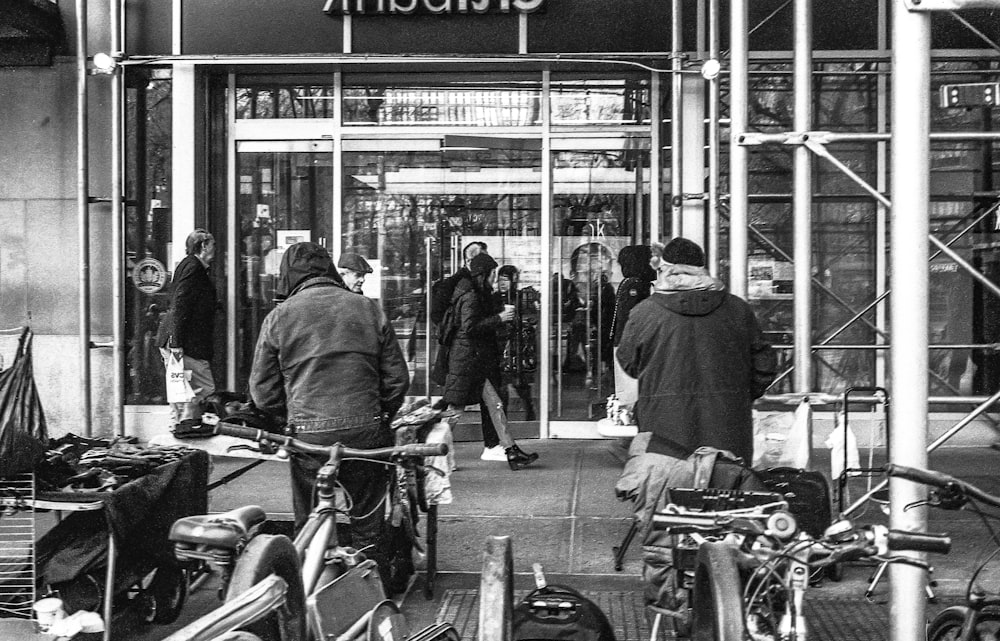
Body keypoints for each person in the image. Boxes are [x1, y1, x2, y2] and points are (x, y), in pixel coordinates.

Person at [249, 242, 410, 589]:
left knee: (309, 521)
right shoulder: (368, 309)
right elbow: (398, 380)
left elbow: (262, 392)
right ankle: (374, 599)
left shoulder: (280, 316)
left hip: (308, 437)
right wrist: (379, 415)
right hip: (366, 434)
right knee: (368, 524)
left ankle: (307, 598)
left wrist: (288, 419)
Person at [616, 237, 777, 464]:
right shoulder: (738, 310)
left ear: (666, 269)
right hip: (728, 424)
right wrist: (739, 395)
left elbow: (629, 362)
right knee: (727, 490)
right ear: (702, 270)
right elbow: (765, 363)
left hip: (662, 428)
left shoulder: (644, 313)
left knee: (666, 491)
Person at [438, 253, 538, 470]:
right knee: (455, 410)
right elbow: (470, 327)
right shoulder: (471, 296)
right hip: (467, 361)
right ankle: (433, 452)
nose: (495, 278)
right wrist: (499, 319)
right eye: (493, 273)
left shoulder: (475, 293)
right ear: (484, 274)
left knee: (495, 404)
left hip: (475, 361)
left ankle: (510, 450)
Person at [158, 229, 218, 426]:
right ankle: (186, 432)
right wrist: (176, 343)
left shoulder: (189, 265)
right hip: (186, 343)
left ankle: (181, 431)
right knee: (200, 389)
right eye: (213, 244)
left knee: (181, 391)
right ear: (203, 246)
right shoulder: (194, 267)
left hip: (178, 340)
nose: (215, 248)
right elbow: (180, 303)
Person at [609, 245, 657, 408]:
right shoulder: (635, 285)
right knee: (630, 392)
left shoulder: (630, 283)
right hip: (630, 344)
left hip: (625, 342)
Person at [564, 241, 616, 373]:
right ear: (573, 275)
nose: (594, 279)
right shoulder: (567, 296)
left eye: (602, 274)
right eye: (588, 273)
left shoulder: (607, 296)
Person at [496, 264, 538, 422]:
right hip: (500, 345)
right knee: (501, 384)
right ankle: (503, 417)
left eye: (506, 280)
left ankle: (529, 410)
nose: (502, 283)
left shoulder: (521, 297)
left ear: (514, 281)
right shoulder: (494, 298)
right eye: (500, 279)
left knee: (519, 382)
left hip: (517, 345)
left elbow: (532, 318)